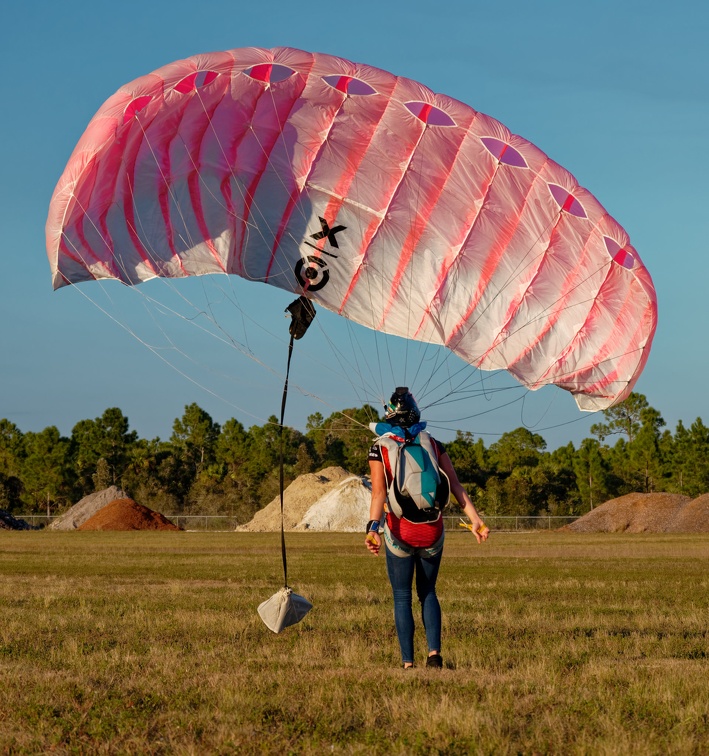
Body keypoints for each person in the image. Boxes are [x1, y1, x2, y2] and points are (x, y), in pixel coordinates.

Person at [365, 387, 488, 669]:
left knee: (401, 596)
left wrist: (373, 529)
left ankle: (408, 662)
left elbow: (378, 494)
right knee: (428, 592)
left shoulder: (380, 447)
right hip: (432, 531)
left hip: (401, 531)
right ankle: (434, 655)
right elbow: (455, 486)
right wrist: (476, 521)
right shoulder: (432, 443)